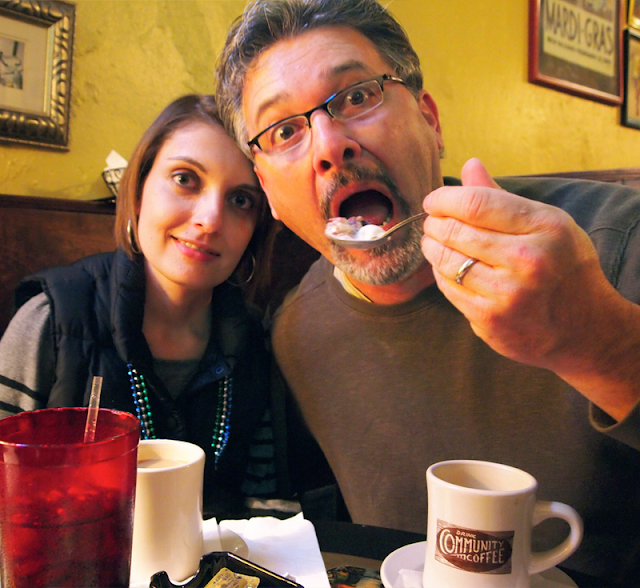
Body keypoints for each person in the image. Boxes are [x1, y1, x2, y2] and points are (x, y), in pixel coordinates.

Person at [216, 0, 640, 582]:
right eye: (285, 130)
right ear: (267, 190)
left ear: (430, 121)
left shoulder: (615, 242)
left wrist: (604, 342)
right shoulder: (295, 336)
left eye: (357, 96)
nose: (329, 145)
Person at [0, 94, 280, 518]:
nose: (210, 220)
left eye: (241, 200)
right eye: (185, 179)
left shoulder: (256, 344)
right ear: (137, 191)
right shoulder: (51, 322)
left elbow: (265, 515)